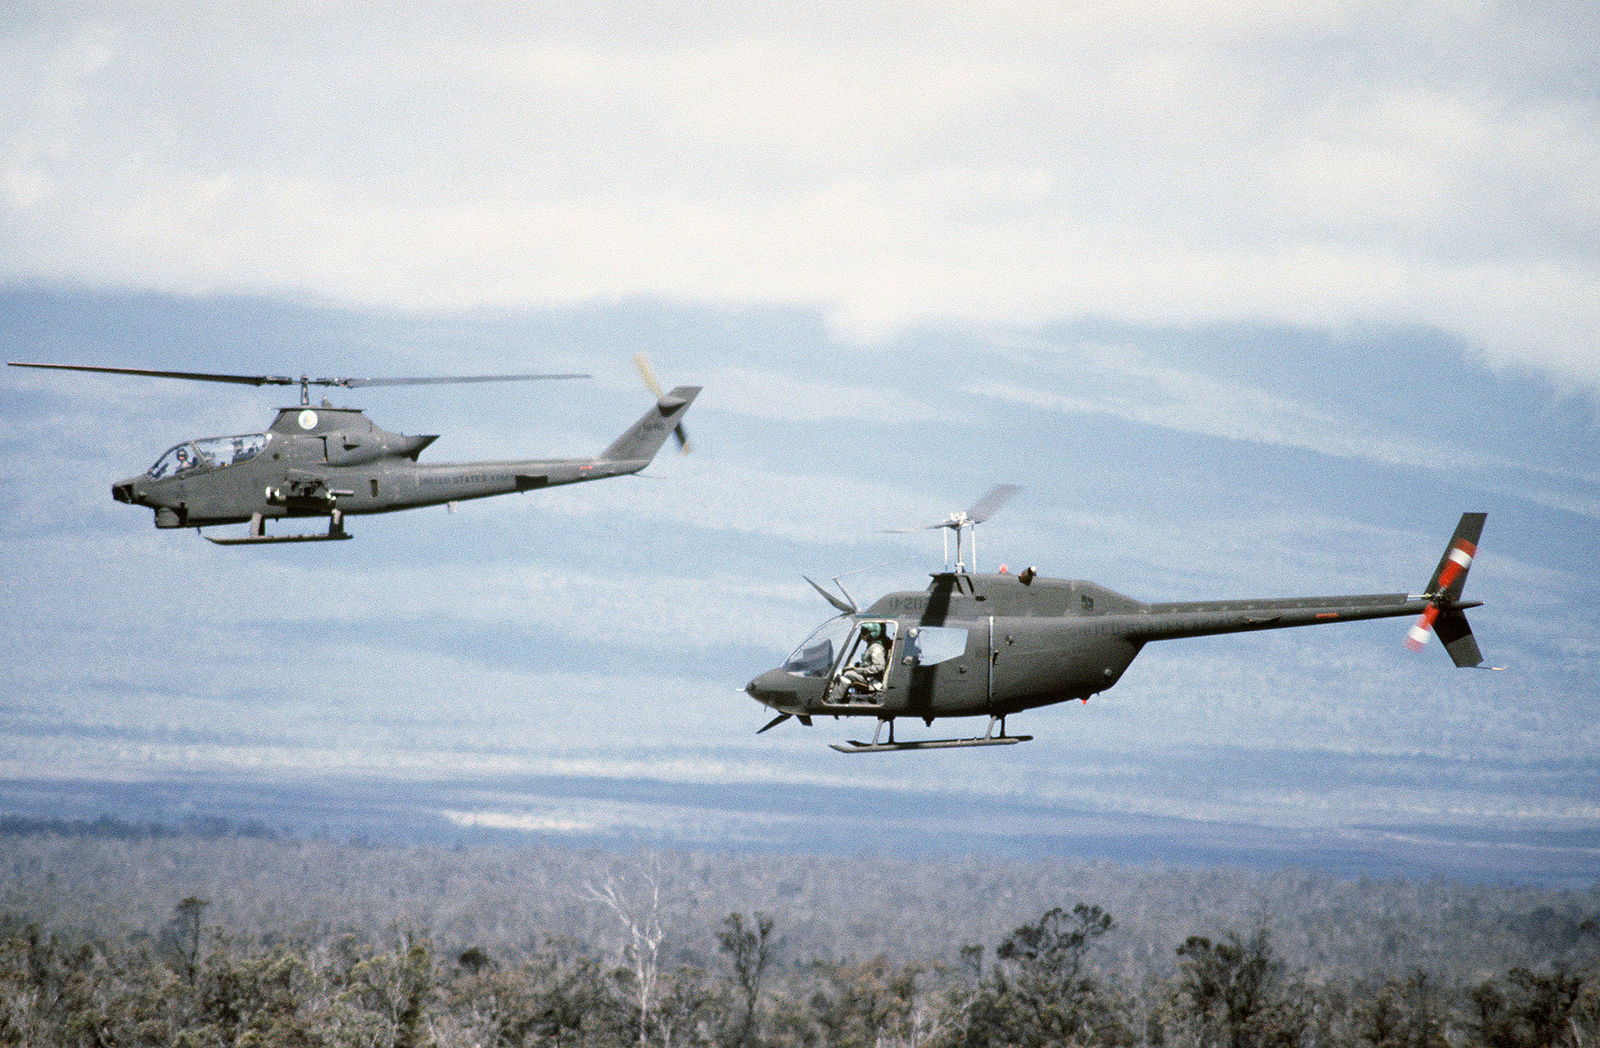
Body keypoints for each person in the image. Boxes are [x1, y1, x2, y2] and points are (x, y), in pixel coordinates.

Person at [832, 622, 890, 703]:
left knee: (847, 675)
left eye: (864, 632)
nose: (862, 635)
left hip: (872, 680)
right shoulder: (871, 646)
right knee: (844, 671)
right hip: (868, 677)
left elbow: (879, 666)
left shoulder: (876, 648)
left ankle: (834, 700)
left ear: (872, 633)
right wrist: (858, 667)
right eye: (861, 632)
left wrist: (859, 670)